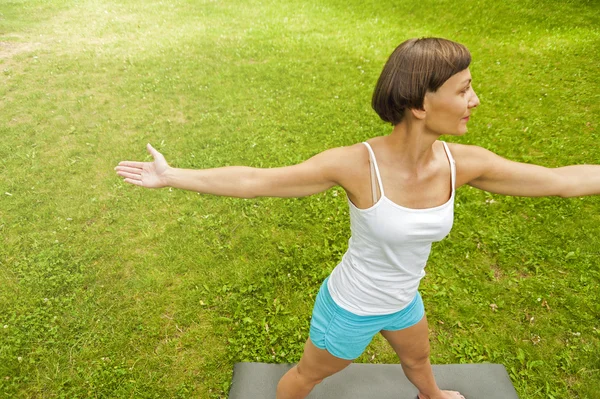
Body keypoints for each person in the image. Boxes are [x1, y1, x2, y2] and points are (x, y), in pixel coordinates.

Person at [115, 37, 599, 399]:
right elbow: (255, 180)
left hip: (403, 298)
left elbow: (558, 179)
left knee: (419, 358)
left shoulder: (463, 163)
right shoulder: (356, 165)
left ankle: (430, 395)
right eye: (464, 89)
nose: (475, 100)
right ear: (420, 104)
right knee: (310, 375)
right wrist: (173, 175)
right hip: (351, 305)